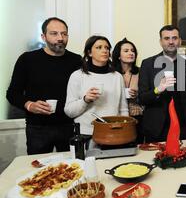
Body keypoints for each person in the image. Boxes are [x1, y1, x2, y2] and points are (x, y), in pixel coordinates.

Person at [6, 17, 82, 154]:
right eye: (54, 33)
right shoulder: (27, 59)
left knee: (73, 169)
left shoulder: (77, 61)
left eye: (64, 34)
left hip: (69, 126)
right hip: (37, 128)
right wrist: (30, 105)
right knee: (38, 170)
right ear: (43, 37)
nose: (60, 38)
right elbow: (12, 94)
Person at [138, 25, 186, 142]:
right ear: (160, 41)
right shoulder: (147, 64)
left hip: (184, 130)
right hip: (155, 129)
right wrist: (158, 89)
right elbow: (141, 99)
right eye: (166, 38)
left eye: (174, 38)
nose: (171, 42)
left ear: (180, 41)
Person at [64, 36, 128, 136]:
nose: (104, 50)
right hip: (85, 133)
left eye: (107, 48)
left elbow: (123, 109)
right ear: (89, 53)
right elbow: (69, 111)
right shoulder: (77, 76)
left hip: (113, 131)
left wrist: (125, 129)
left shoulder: (117, 76)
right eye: (99, 47)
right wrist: (85, 100)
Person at [112, 38, 144, 144]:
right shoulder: (111, 73)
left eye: (132, 50)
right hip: (116, 117)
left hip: (137, 118)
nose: (131, 53)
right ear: (118, 55)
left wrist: (137, 95)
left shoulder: (141, 72)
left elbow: (147, 94)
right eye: (126, 51)